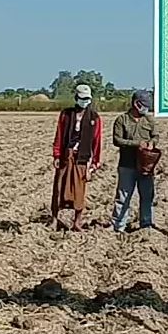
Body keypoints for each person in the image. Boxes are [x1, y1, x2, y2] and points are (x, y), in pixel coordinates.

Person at [51, 84, 102, 231]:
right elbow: (59, 135)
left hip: (82, 158)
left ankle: (77, 222)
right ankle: (54, 219)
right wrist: (57, 155)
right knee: (59, 188)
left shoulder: (94, 118)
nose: (84, 102)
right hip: (66, 156)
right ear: (76, 98)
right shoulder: (66, 115)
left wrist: (95, 162)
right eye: (82, 98)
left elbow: (97, 140)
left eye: (87, 99)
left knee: (79, 190)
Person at [111, 90, 159, 233]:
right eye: (144, 105)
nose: (146, 108)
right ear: (136, 104)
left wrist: (152, 143)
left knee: (147, 196)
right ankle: (119, 226)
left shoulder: (149, 120)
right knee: (123, 196)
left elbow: (155, 136)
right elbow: (117, 140)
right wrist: (136, 144)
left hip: (145, 166)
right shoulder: (122, 120)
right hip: (127, 164)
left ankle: (146, 224)